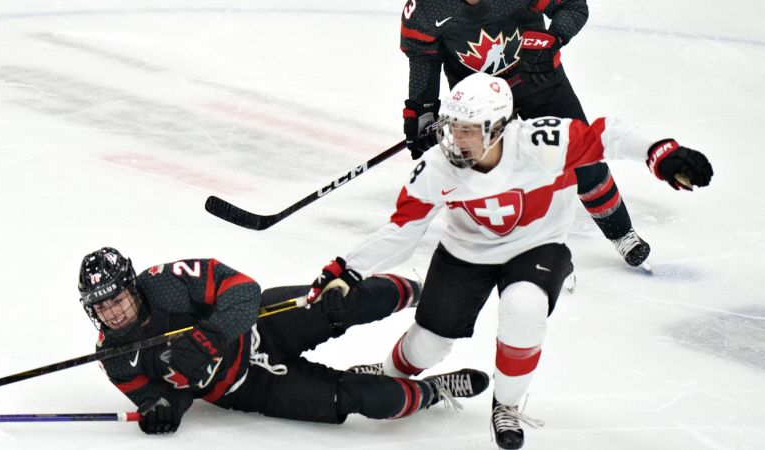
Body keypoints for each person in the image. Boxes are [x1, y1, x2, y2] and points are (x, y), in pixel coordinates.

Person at [307, 73, 713, 449]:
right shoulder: (436, 167)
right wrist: (348, 268)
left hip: (537, 246)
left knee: (525, 306)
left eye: (469, 130)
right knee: (429, 344)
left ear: (500, 127)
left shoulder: (543, 141)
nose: (456, 139)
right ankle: (392, 373)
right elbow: (403, 230)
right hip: (464, 255)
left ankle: (507, 405)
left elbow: (607, 134)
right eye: (452, 126)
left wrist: (661, 152)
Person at [76, 247, 490, 435]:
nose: (112, 312)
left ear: (131, 287)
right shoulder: (114, 358)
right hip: (253, 389)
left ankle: (424, 289)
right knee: (363, 400)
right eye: (101, 306)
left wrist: (212, 336)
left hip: (262, 324)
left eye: (116, 298)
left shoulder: (165, 283)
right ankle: (432, 390)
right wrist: (160, 411)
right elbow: (159, 397)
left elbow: (243, 290)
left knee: (340, 302)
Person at [399, 0, 653, 268]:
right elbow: (424, 58)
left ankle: (622, 233)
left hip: (540, 80)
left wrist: (552, 38)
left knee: (582, 160)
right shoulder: (425, 8)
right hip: (479, 103)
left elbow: (573, 6)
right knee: (495, 178)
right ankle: (531, 252)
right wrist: (422, 112)